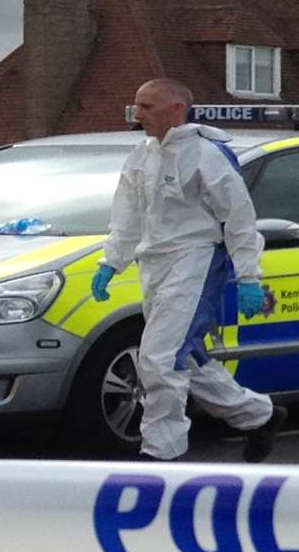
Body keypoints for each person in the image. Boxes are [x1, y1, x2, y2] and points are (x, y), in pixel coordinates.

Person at [92, 77, 288, 460]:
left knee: (159, 358)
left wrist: (249, 276)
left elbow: (240, 219)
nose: (138, 114)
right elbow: (128, 215)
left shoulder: (206, 155)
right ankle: (259, 416)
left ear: (177, 109)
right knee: (187, 356)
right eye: (137, 105)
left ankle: (161, 452)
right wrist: (111, 261)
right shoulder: (142, 155)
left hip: (195, 262)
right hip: (156, 264)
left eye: (147, 106)